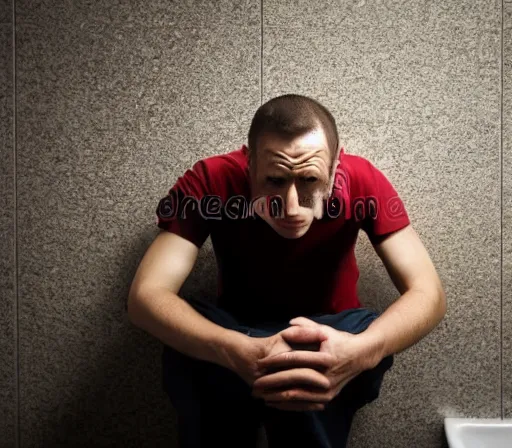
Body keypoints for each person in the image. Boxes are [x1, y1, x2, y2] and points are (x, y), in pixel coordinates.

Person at [127, 94, 447, 447]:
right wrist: (233, 348)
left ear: (335, 166)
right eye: (275, 180)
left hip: (332, 333)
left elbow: (428, 294)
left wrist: (362, 351)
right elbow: (146, 296)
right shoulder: (211, 179)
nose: (291, 207)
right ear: (249, 164)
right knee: (190, 345)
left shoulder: (363, 180)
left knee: (325, 354)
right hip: (239, 329)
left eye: (309, 180)